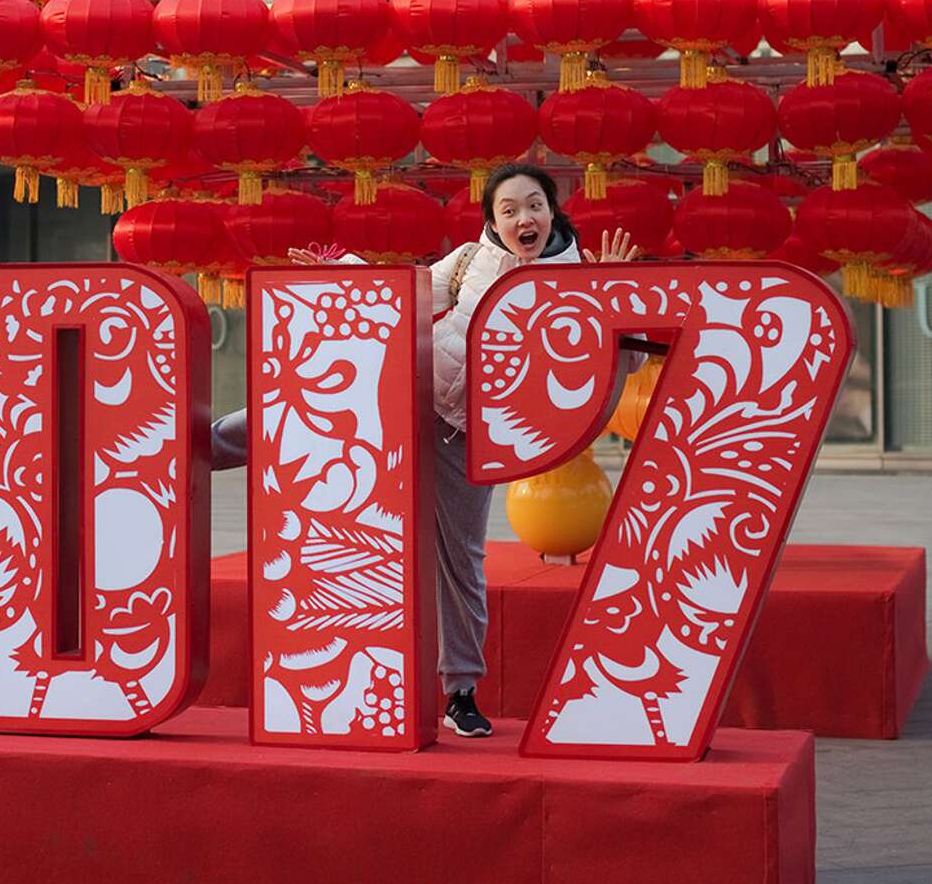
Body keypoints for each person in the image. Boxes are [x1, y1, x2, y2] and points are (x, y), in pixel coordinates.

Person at [210, 165, 639, 739]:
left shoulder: (583, 277)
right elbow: (400, 298)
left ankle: (460, 692)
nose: (522, 218)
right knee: (281, 419)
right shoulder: (468, 260)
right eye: (507, 210)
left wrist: (615, 295)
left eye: (532, 205)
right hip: (407, 394)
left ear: (553, 213)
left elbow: (623, 365)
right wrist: (342, 275)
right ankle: (185, 449)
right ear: (493, 221)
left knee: (461, 563)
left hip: (471, 437)